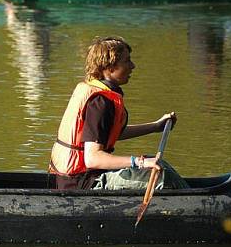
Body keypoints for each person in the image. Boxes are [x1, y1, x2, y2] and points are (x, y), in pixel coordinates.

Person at [49, 36, 188, 191]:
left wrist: (155, 126)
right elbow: (92, 159)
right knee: (161, 177)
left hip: (85, 177)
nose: (133, 66)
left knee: (159, 164)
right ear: (110, 68)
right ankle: (194, 200)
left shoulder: (101, 94)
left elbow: (111, 134)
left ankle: (191, 196)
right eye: (127, 61)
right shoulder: (100, 102)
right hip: (82, 183)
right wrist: (139, 162)